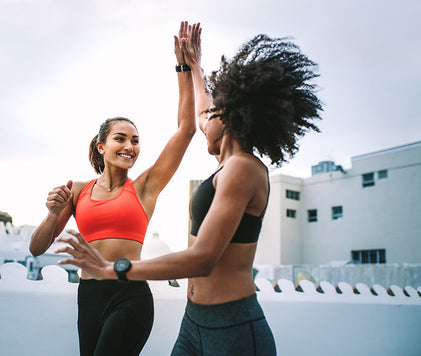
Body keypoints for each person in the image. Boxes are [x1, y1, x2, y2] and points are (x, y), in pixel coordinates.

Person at [55, 23, 322, 356]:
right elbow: (197, 111)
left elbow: (203, 259)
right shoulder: (227, 162)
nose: (205, 114)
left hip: (233, 325)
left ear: (232, 118)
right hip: (193, 322)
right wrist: (191, 65)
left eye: (213, 112)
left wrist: (113, 269)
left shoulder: (242, 168)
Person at [29, 22, 196, 356]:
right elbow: (36, 248)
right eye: (120, 138)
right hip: (88, 297)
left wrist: (184, 68)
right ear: (101, 146)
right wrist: (51, 215)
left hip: (130, 296)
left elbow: (187, 129)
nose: (130, 146)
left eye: (135, 141)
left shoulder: (145, 187)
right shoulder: (76, 190)